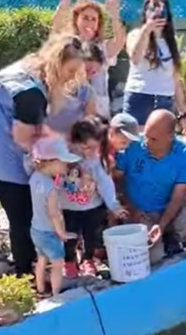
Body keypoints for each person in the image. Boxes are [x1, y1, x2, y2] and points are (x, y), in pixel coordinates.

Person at [0, 33, 87, 276]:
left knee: (26, 205)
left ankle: (33, 263)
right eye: (70, 72)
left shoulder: (31, 66)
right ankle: (25, 273)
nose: (70, 79)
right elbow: (24, 139)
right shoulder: (30, 93)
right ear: (57, 63)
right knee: (22, 212)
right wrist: (52, 156)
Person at [115, 109, 186, 264]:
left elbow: (178, 197)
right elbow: (117, 180)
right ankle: (166, 241)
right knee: (153, 257)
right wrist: (131, 208)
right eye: (146, 135)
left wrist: (161, 225)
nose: (146, 142)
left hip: (169, 211)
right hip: (140, 213)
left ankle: (169, 236)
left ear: (170, 137)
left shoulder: (185, 155)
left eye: (153, 139)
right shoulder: (133, 146)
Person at [60, 116, 127, 278]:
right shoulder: (63, 161)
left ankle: (87, 259)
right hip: (68, 208)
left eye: (93, 148)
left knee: (91, 236)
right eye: (84, 147)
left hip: (93, 207)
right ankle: (69, 261)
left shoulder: (96, 163)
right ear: (72, 142)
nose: (87, 152)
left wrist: (114, 206)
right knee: (69, 237)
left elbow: (106, 185)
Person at [52, 0, 126, 118]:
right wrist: (64, 2)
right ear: (76, 20)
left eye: (94, 19)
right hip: (71, 112)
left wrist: (114, 15)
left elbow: (119, 42)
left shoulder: (102, 47)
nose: (89, 23)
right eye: (85, 18)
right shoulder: (69, 44)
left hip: (99, 115)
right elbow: (56, 29)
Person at [123, 0, 186, 134]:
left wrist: (183, 114)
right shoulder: (136, 35)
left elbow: (176, 81)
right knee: (135, 142)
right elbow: (135, 58)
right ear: (145, 13)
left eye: (161, 10)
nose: (157, 14)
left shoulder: (171, 42)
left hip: (164, 100)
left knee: (161, 145)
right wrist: (147, 29)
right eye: (151, 9)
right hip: (139, 97)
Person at [29, 136, 81, 296]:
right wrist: (62, 233)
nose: (67, 165)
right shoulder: (50, 187)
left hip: (36, 229)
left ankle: (40, 289)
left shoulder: (34, 178)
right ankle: (57, 293)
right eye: (64, 162)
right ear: (51, 162)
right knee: (58, 264)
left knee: (42, 260)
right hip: (50, 233)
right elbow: (54, 214)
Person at [46, 42, 105, 135]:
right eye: (87, 69)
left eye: (94, 72)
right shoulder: (51, 83)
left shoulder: (87, 92)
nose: (88, 75)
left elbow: (89, 121)